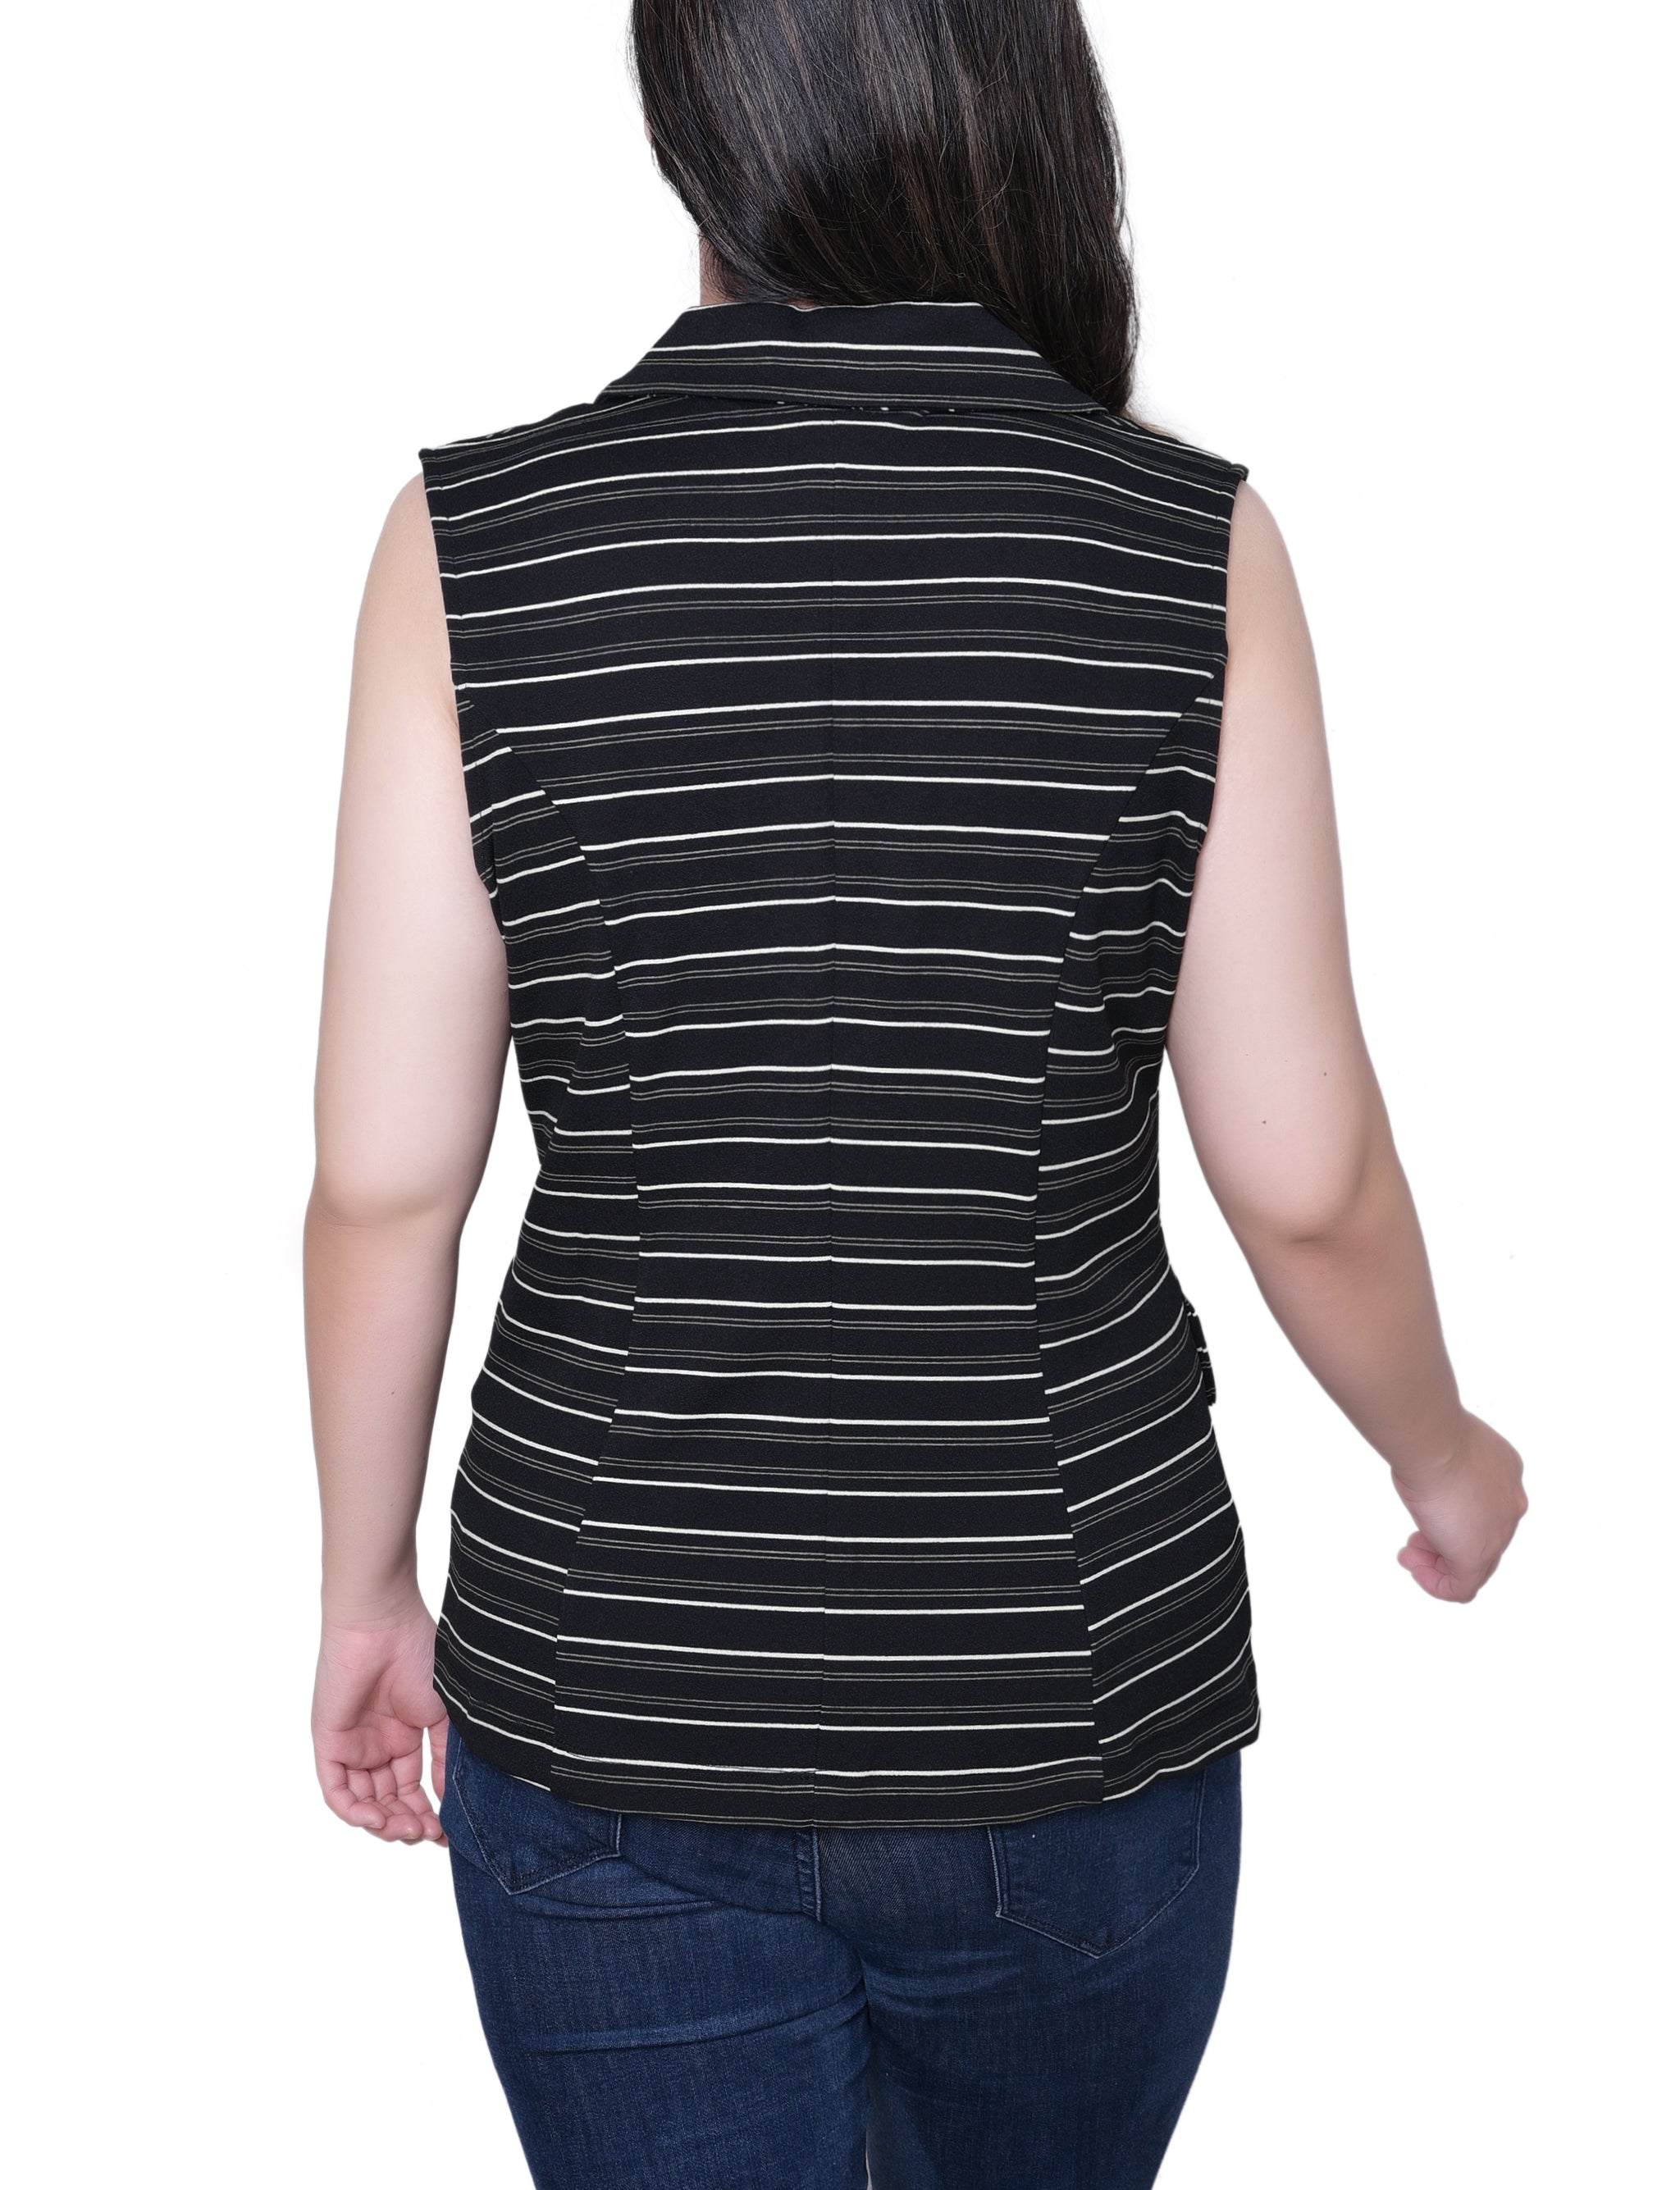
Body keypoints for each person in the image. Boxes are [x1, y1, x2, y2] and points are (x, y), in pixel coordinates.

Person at [304, 3, 1527, 2183]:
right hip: (1079, 1686)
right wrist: (1444, 1454)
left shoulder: (476, 542)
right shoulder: (1182, 544)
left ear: (696, 127)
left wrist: (365, 1583)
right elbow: (1306, 1175)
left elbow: (388, 1181)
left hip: (605, 1678)